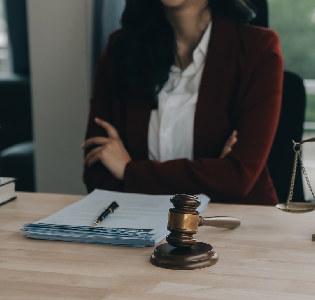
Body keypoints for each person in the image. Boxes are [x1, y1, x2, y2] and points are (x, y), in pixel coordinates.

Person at [82, 0, 283, 205]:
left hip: (234, 225)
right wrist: (212, 176)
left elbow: (237, 178)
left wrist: (129, 171)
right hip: (139, 225)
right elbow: (97, 176)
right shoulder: (120, 51)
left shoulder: (258, 50)